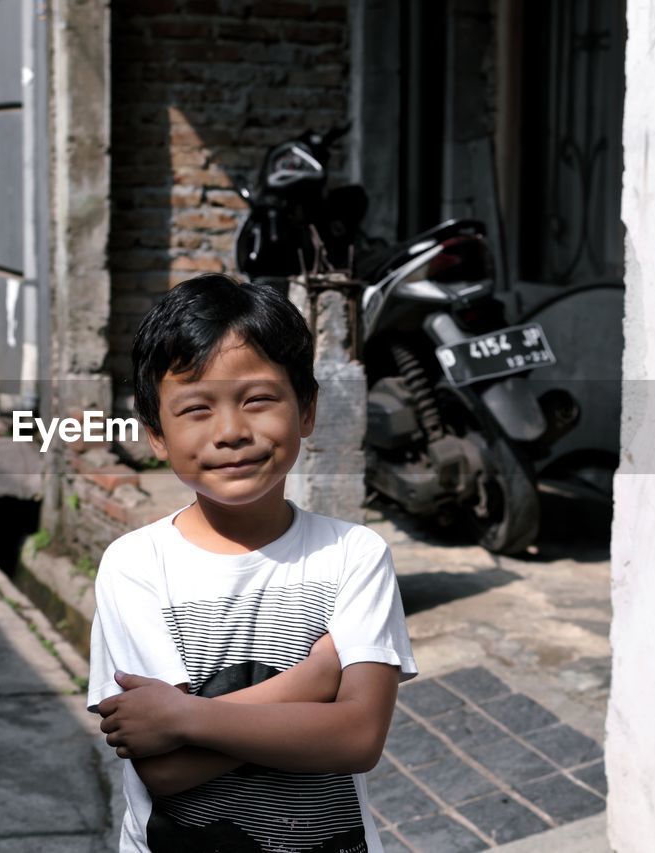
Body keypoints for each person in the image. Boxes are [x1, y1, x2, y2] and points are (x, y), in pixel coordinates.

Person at [88, 273, 418, 853]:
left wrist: (184, 718)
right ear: (156, 434)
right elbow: (162, 770)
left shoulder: (353, 556)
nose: (232, 432)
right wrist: (314, 681)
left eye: (259, 399)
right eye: (195, 408)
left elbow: (359, 736)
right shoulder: (136, 565)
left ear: (307, 409)